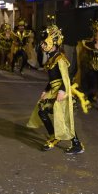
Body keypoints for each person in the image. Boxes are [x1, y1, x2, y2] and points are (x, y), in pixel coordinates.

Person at [26, 24, 90, 154]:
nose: (43, 44)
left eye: (46, 42)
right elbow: (52, 79)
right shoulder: (52, 58)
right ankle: (54, 136)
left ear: (54, 42)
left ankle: (76, 144)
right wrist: (46, 90)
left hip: (62, 91)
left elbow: (66, 77)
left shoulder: (60, 58)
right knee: (42, 111)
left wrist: (62, 91)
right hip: (54, 90)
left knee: (63, 117)